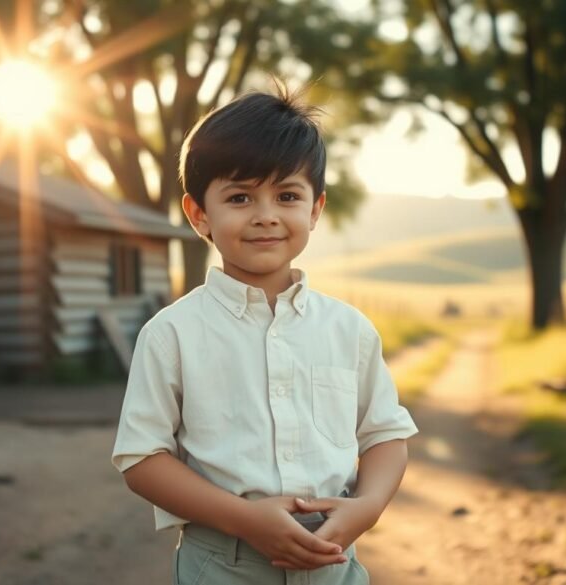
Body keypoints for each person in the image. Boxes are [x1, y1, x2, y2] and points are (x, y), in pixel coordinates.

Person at [111, 84, 418, 584]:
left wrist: (368, 507)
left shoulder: (350, 330)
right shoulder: (172, 334)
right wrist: (244, 519)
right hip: (223, 563)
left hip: (333, 562)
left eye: (287, 195)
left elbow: (385, 435)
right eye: (239, 197)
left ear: (315, 209)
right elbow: (142, 458)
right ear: (199, 215)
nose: (265, 215)